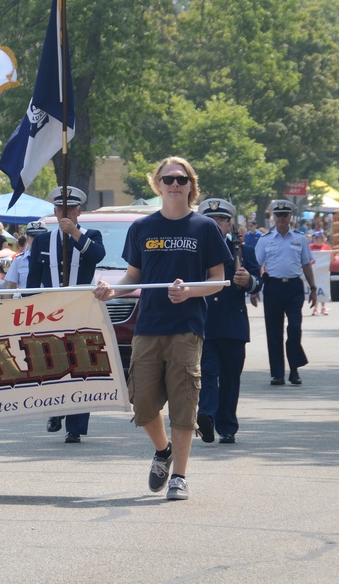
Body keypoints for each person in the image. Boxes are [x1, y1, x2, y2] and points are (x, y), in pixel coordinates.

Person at [93, 157, 229, 501]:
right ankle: (163, 451)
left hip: (186, 328)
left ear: (190, 184)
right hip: (148, 327)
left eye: (181, 179)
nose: (174, 185)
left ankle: (179, 477)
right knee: (142, 404)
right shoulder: (142, 228)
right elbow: (132, 278)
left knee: (184, 406)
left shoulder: (205, 227)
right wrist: (111, 291)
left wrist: (189, 292)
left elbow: (218, 280)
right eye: (168, 178)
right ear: (158, 183)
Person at [28, 187, 105, 444]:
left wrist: (74, 232)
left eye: (70, 209)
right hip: (50, 313)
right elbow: (32, 282)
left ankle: (75, 426)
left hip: (82, 312)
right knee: (53, 364)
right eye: (60, 209)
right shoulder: (41, 241)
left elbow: (96, 255)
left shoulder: (91, 235)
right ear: (54, 211)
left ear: (79, 211)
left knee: (81, 366)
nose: (65, 213)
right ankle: (55, 410)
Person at [195, 198, 263, 445]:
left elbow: (258, 282)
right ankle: (207, 418)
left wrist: (249, 282)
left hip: (233, 325)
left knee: (231, 378)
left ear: (229, 224)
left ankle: (227, 426)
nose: (216, 224)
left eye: (221, 220)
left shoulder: (242, 252)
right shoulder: (196, 251)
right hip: (205, 322)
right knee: (208, 374)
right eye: (210, 220)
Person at [254, 199, 317, 386]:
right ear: (273, 217)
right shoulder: (265, 240)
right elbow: (256, 265)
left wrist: (313, 288)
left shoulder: (299, 239)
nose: (281, 219)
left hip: (293, 287)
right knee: (274, 332)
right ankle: (277, 374)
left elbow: (306, 264)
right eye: (278, 215)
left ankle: (294, 369)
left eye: (285, 215)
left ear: (290, 217)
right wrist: (254, 289)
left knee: (295, 328)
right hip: (273, 287)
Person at [4, 221, 45, 292]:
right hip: (25, 300)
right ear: (28, 238)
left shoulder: (51, 258)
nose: (36, 239)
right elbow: (11, 285)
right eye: (33, 236)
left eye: (39, 236)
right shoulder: (19, 260)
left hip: (47, 298)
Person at [309, 230, 331, 316]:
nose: (316, 239)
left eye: (318, 237)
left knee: (323, 288)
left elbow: (331, 259)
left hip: (323, 272)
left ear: (322, 238)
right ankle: (315, 308)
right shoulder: (310, 247)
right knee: (315, 288)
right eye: (315, 238)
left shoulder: (326, 248)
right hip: (313, 272)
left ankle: (323, 307)